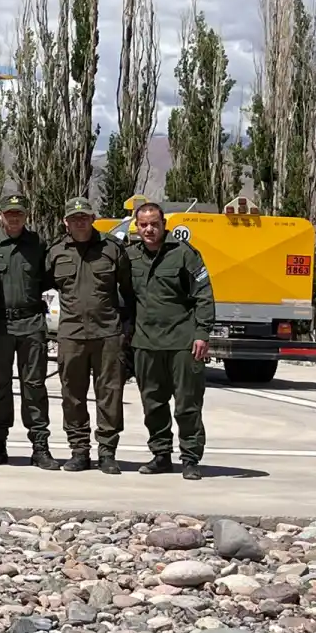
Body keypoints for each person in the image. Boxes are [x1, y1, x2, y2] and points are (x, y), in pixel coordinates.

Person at [45, 196, 135, 474]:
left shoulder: (112, 249)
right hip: (71, 335)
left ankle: (107, 452)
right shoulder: (56, 252)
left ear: (93, 218)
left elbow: (129, 291)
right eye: (74, 218)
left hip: (107, 333)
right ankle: (79, 451)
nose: (80, 222)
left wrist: (127, 330)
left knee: (109, 394)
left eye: (84, 217)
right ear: (66, 222)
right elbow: (40, 285)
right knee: (72, 394)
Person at [126, 202, 214, 480]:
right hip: (145, 343)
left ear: (164, 225)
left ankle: (190, 458)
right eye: (143, 225)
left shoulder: (185, 254)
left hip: (182, 343)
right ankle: (161, 455)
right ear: (137, 227)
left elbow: (203, 294)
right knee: (153, 404)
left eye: (154, 224)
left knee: (187, 404)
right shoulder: (129, 256)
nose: (149, 229)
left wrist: (202, 333)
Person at [0, 194, 59, 470]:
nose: (14, 218)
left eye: (19, 213)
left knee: (34, 386)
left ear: (26, 215)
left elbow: (47, 279)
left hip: (31, 324)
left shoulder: (38, 244)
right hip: (0, 326)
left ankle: (40, 446)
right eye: (9, 213)